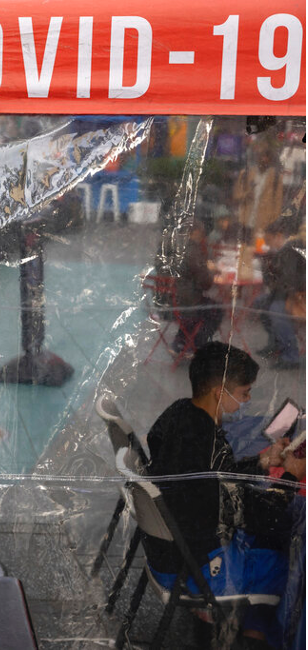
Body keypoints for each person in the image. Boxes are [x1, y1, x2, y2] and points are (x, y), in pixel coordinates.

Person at [144, 342, 305, 646]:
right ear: (220, 392)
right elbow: (261, 516)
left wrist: (262, 461)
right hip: (200, 569)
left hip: (171, 553)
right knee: (296, 567)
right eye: (244, 393)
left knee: (278, 536)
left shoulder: (180, 414)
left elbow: (219, 476)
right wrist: (290, 476)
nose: (248, 400)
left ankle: (253, 628)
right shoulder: (203, 444)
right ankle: (262, 637)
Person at [256, 223, 306, 369]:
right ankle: (275, 344)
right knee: (260, 303)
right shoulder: (292, 246)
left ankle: (290, 357)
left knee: (277, 312)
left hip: (299, 296)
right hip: (289, 293)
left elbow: (291, 278)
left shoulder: (293, 248)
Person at [172, 222, 222, 353]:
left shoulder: (175, 246)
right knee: (217, 310)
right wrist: (210, 270)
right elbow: (205, 283)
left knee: (196, 310)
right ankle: (196, 344)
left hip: (170, 300)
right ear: (196, 233)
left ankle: (179, 342)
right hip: (187, 302)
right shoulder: (193, 251)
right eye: (201, 233)